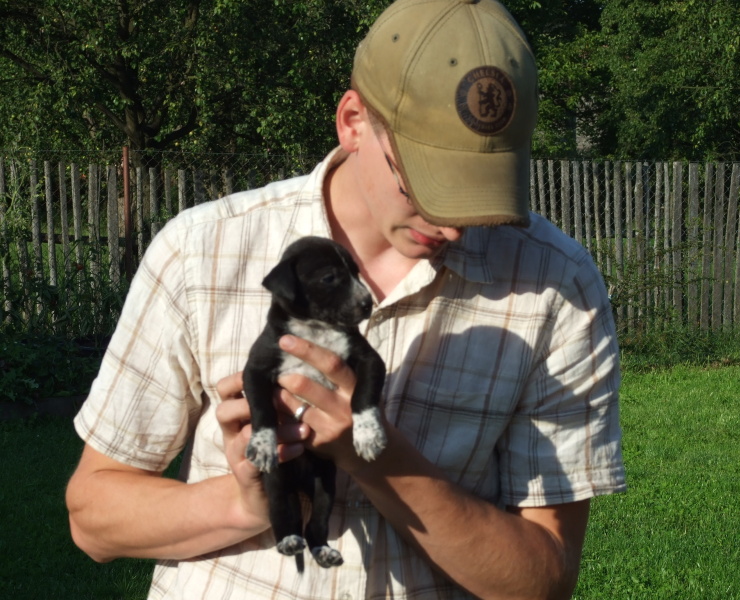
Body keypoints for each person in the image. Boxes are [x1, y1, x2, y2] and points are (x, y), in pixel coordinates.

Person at [66, 0, 625, 598]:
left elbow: (543, 581)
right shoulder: (202, 251)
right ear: (353, 121)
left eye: (479, 193)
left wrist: (376, 458)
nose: (453, 226)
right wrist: (247, 502)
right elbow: (93, 519)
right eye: (424, 185)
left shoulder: (556, 285)